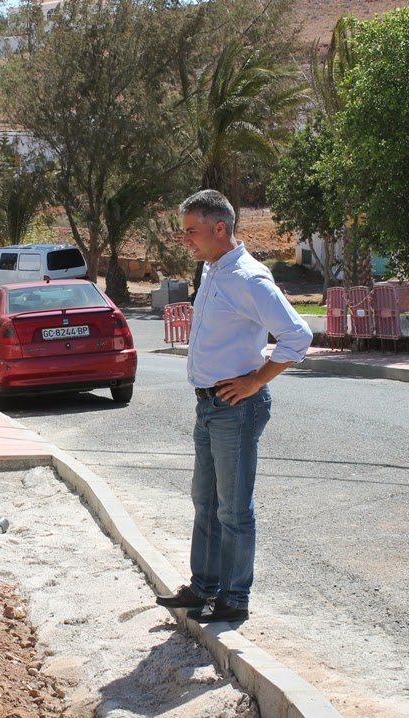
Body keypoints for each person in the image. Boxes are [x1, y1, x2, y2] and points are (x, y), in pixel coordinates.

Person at [155, 190, 312, 622]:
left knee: (233, 508)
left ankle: (234, 599)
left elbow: (297, 336)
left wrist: (255, 380)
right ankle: (203, 587)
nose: (185, 239)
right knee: (205, 501)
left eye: (192, 231)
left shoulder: (248, 278)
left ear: (219, 228)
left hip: (236, 408)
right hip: (208, 406)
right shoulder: (213, 270)